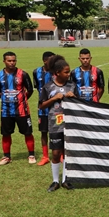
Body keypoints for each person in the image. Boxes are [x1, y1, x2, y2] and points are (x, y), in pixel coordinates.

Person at [39, 55, 77, 192]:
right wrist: (54, 98)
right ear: (57, 73)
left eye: (69, 71)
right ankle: (55, 181)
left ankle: (65, 180)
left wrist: (75, 97)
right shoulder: (48, 87)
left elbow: (80, 103)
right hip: (55, 123)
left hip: (70, 124)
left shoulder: (72, 85)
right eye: (66, 72)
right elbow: (41, 105)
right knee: (56, 153)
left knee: (67, 153)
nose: (68, 74)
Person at [0, 52, 36, 165]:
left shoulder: (23, 74)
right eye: (9, 61)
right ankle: (6, 157)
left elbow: (30, 89)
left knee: (27, 132)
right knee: (6, 134)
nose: (12, 63)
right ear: (4, 61)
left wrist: (22, 99)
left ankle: (31, 155)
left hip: (22, 110)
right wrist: (7, 98)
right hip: (6, 111)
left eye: (14, 60)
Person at [33, 51, 55, 166]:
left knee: (59, 131)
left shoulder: (57, 71)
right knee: (43, 132)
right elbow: (37, 88)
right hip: (42, 107)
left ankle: (60, 155)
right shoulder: (36, 72)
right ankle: (45, 156)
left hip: (57, 107)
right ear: (45, 61)